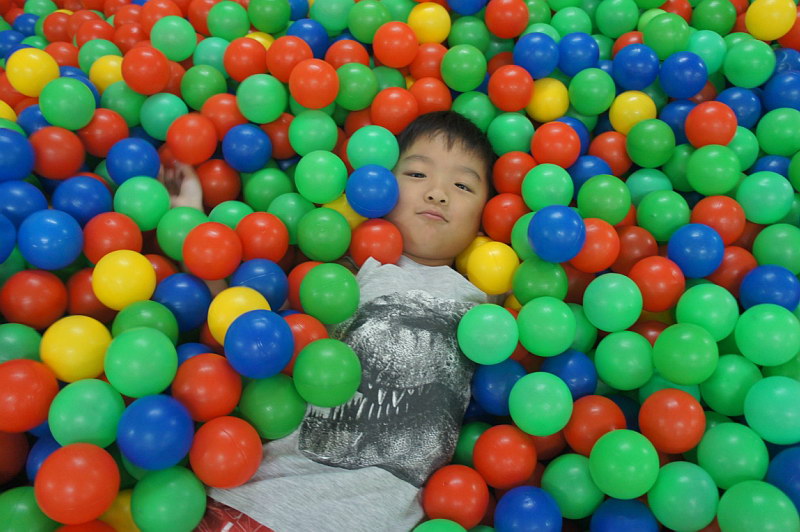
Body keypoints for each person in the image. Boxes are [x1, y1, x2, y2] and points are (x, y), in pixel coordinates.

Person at [185, 110, 498, 531]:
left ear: (486, 215)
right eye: (417, 174)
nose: (438, 193)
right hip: (262, 504)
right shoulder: (349, 271)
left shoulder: (486, 299)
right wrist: (190, 219)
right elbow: (252, 335)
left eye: (463, 186)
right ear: (381, 185)